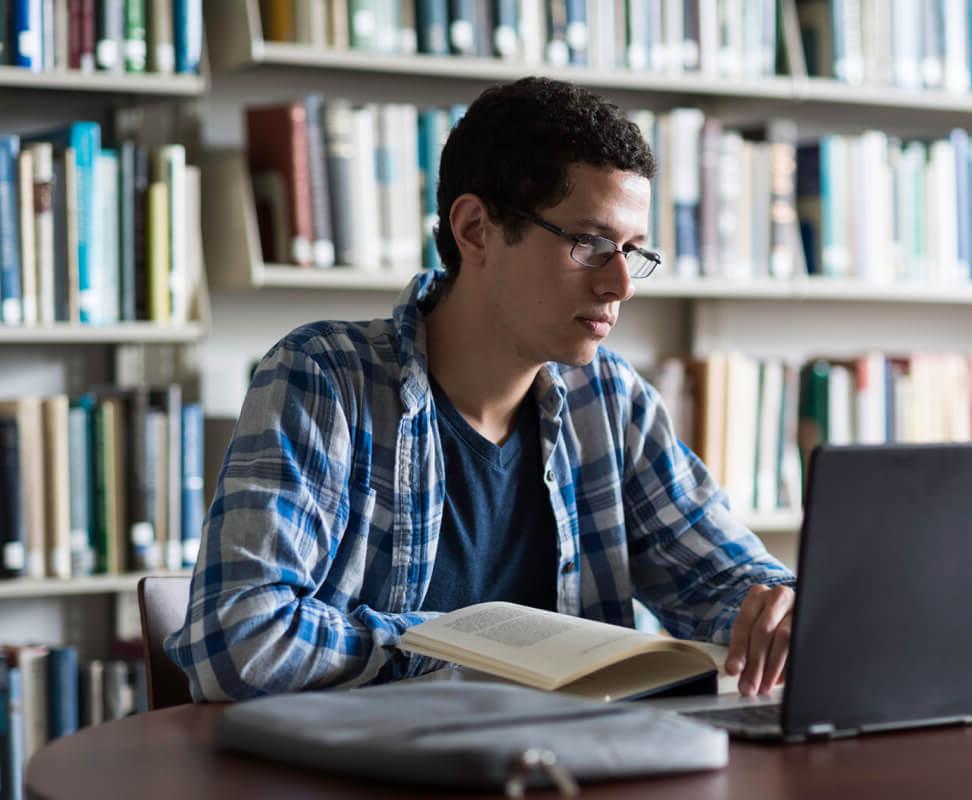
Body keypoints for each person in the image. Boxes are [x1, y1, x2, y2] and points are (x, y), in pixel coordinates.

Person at [166, 77, 795, 701]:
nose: (621, 284)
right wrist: (465, 647)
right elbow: (240, 641)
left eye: (634, 251)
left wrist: (779, 609)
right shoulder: (326, 379)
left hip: (574, 774)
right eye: (592, 244)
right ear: (475, 230)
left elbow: (724, 581)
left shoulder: (611, 401)